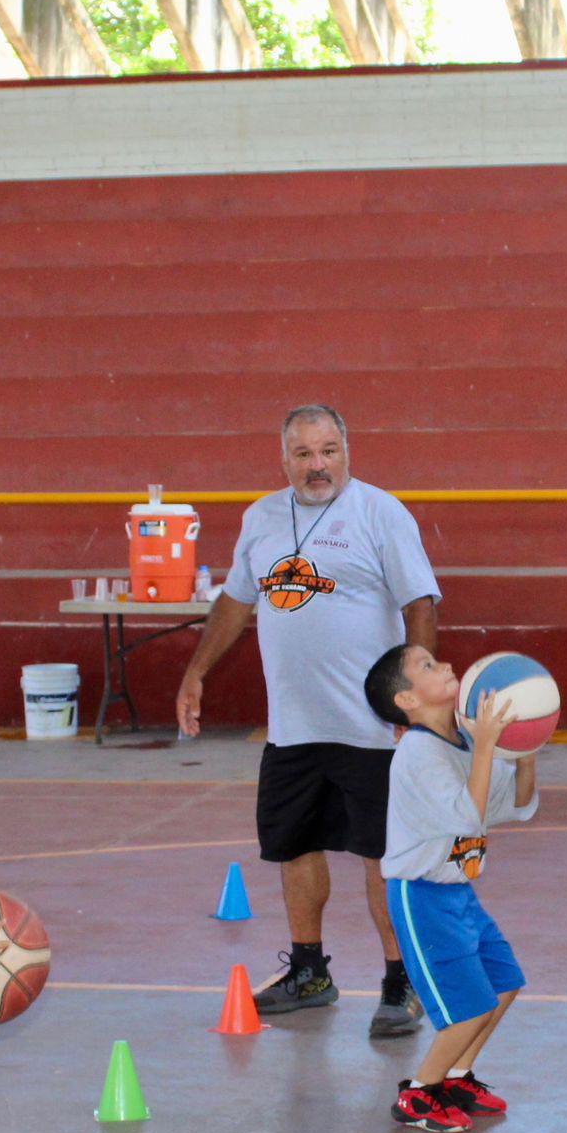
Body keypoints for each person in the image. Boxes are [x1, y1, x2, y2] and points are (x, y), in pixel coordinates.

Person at [175, 405, 441, 1039]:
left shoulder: (380, 513)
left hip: (373, 729)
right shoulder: (261, 518)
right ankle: (309, 973)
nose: (316, 465)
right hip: (293, 728)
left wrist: (418, 695)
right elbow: (237, 600)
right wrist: (196, 672)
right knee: (294, 847)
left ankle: (401, 984)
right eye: (303, 454)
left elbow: (420, 603)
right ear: (284, 459)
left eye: (327, 451)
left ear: (347, 451)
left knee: (383, 857)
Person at [365, 644, 538, 1132]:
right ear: (407, 701)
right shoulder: (417, 752)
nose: (443, 665)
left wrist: (523, 751)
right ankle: (419, 1095)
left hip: (459, 892)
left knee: (503, 985)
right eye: (425, 666)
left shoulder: (461, 742)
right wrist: (486, 747)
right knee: (466, 1009)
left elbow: (513, 805)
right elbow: (468, 814)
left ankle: (458, 1076)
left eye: (436, 659)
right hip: (420, 895)